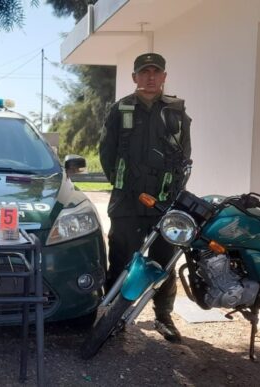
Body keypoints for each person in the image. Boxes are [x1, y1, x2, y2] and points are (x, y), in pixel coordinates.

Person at [99, 53, 192, 343]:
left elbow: (184, 154)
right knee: (121, 259)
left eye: (156, 72)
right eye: (144, 72)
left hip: (164, 202)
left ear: (164, 76)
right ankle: (112, 317)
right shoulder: (120, 109)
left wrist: (169, 188)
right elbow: (106, 152)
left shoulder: (177, 111)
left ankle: (163, 317)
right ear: (135, 77)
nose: (150, 77)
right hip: (127, 201)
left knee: (164, 262)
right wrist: (126, 183)